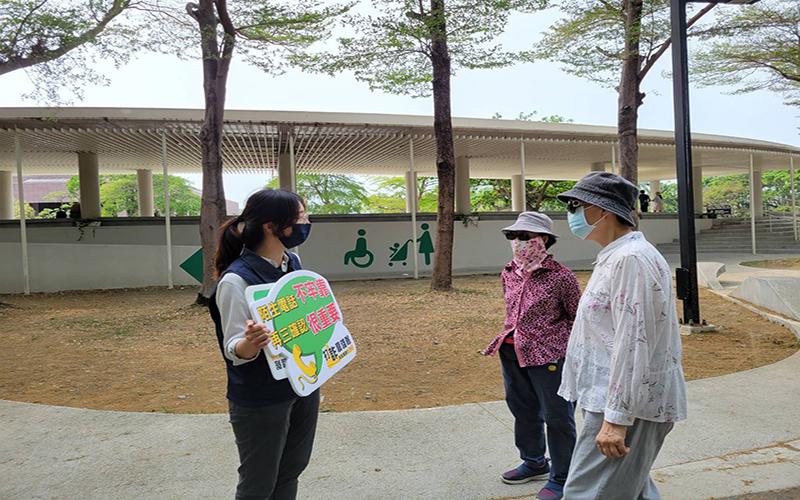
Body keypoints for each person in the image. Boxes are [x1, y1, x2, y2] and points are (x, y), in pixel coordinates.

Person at [556, 172, 687, 499]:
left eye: (576, 206)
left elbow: (634, 342)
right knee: (632, 490)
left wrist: (616, 418)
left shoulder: (631, 260)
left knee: (586, 493)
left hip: (625, 405)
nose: (571, 214)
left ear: (603, 210)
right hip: (612, 398)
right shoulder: (616, 256)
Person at [208, 189, 317, 500]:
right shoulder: (236, 280)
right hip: (261, 398)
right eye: (300, 218)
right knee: (258, 482)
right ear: (271, 226)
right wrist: (251, 343)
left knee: (291, 469)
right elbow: (234, 348)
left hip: (301, 384)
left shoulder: (292, 263)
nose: (306, 223)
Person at [483, 212, 581, 500]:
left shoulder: (562, 277)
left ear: (544, 240)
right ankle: (534, 461)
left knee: (557, 417)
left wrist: (565, 350)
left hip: (550, 356)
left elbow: (578, 318)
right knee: (523, 410)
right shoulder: (508, 272)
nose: (517, 241)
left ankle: (562, 477)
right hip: (512, 350)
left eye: (524, 236)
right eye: (512, 236)